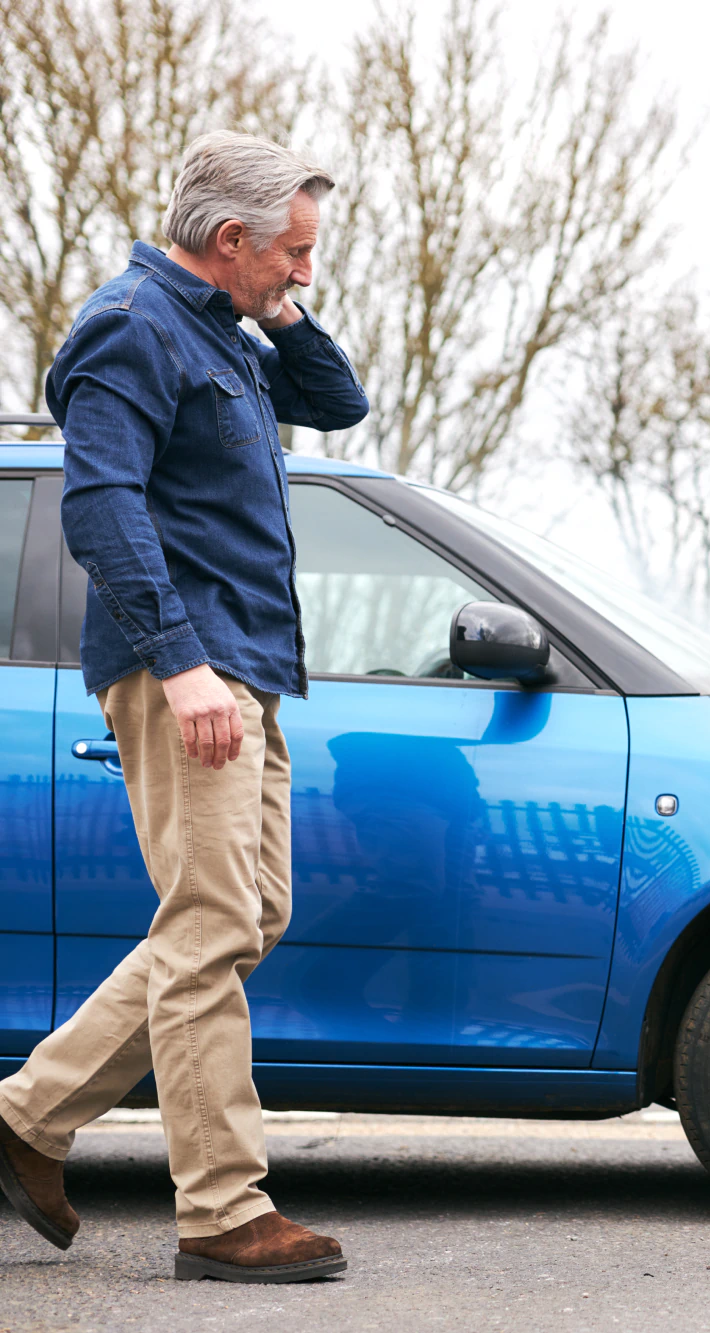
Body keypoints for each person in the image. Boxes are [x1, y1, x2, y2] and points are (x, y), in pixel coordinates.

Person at [0, 132, 369, 1283]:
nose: (303, 272)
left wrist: (284, 314)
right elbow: (100, 504)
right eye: (292, 255)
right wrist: (179, 662)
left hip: (247, 663)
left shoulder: (225, 332)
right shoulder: (129, 327)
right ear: (227, 240)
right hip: (190, 669)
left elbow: (340, 403)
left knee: (246, 914)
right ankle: (222, 1208)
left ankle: (27, 1114)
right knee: (211, 925)